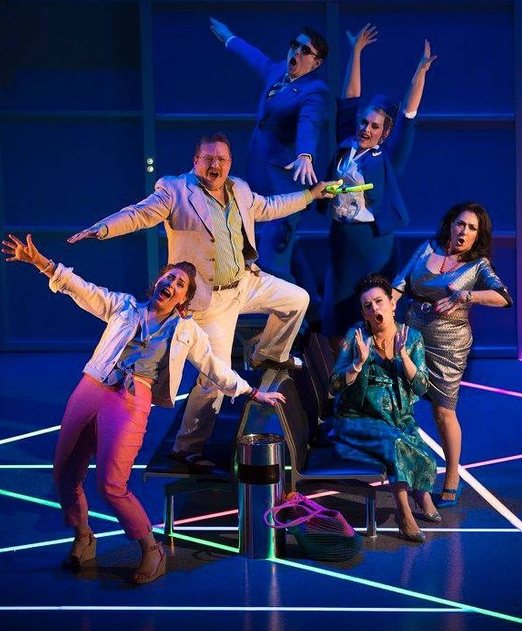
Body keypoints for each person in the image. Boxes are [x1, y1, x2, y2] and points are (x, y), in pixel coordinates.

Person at [0, 234, 285, 584]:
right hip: (91, 387)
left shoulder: (186, 331)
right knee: (64, 474)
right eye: (169, 277)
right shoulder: (123, 307)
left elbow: (214, 367)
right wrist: (41, 262)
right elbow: (81, 289)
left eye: (180, 284)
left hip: (131, 400)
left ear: (183, 299)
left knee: (111, 484)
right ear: (157, 282)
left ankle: (152, 549)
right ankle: (83, 536)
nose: (171, 284)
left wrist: (250, 391)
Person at [67, 133, 332, 468]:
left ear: (229, 163)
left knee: (297, 299)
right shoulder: (176, 190)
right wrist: (104, 228)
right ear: (196, 162)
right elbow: (139, 214)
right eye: (208, 158)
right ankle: (187, 448)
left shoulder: (240, 189)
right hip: (209, 300)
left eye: (221, 159)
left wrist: (311, 194)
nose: (214, 165)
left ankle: (268, 354)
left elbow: (269, 207)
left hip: (245, 282)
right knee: (214, 379)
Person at [321, 26, 437, 347]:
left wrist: (420, 71)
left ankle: (380, 365)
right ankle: (340, 371)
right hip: (341, 241)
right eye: (364, 122)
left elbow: (408, 114)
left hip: (373, 245)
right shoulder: (345, 144)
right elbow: (349, 100)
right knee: (336, 313)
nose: (365, 129)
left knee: (375, 312)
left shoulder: (387, 158)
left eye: (374, 126)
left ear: (384, 133)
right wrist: (356, 52)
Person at [392, 203, 512, 508]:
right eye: (461, 224)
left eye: (472, 228)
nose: (464, 231)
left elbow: (503, 297)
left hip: (449, 344)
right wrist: (385, 310)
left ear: (478, 236)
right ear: (450, 224)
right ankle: (405, 472)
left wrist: (465, 295)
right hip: (412, 336)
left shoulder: (478, 265)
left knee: (443, 412)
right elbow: (399, 284)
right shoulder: (426, 248)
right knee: (399, 402)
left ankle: (452, 477)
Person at [209, 17, 329, 286]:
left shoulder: (314, 91)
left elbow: (309, 122)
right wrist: (229, 38)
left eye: (305, 50)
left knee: (274, 260)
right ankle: (312, 304)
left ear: (316, 63)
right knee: (276, 248)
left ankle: (289, 308)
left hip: (283, 184)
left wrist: (305, 154)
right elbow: (256, 58)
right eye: (295, 45)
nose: (296, 52)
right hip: (260, 174)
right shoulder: (278, 72)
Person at [328, 274, 439, 542]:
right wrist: (357, 364)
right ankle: (404, 514)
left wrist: (403, 357)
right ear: (363, 313)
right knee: (396, 443)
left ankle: (420, 493)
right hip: (356, 418)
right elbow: (334, 385)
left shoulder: (412, 338)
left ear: (392, 303)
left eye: (379, 301)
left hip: (398, 417)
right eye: (367, 306)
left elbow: (422, 387)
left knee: (415, 443)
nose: (374, 309)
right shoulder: (356, 337)